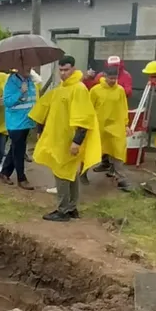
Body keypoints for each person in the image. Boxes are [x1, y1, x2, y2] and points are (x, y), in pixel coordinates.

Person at [29, 55, 102, 222]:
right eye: (60, 70)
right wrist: (41, 128)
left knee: (61, 174)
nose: (63, 73)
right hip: (59, 139)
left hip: (69, 141)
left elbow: (84, 117)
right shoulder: (62, 88)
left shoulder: (79, 88)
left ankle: (62, 210)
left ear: (74, 69)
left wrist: (77, 141)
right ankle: (71, 208)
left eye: (66, 70)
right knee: (70, 174)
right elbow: (46, 107)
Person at [90, 66, 132, 191]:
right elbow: (89, 108)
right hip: (99, 125)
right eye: (110, 78)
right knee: (92, 150)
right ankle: (82, 173)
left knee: (118, 151)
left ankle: (121, 178)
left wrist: (126, 124)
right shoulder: (95, 90)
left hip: (116, 125)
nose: (113, 81)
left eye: (115, 78)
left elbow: (123, 107)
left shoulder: (120, 90)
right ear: (104, 76)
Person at [0, 68, 38, 190]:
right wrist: (20, 92)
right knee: (19, 151)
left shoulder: (30, 80)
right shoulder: (11, 82)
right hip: (15, 123)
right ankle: (22, 178)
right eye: (26, 67)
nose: (29, 69)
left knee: (15, 148)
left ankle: (4, 173)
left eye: (30, 67)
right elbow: (7, 101)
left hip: (26, 120)